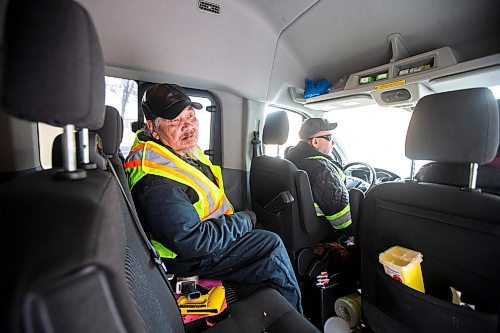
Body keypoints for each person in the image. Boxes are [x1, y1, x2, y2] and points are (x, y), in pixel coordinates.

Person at [124, 83, 302, 313]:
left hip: (202, 237)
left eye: (190, 116)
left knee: (260, 231)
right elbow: (193, 242)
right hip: (187, 257)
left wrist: (241, 221)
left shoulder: (176, 149)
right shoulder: (155, 179)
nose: (188, 127)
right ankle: (296, 320)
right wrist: (244, 221)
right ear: (152, 127)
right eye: (175, 121)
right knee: (269, 245)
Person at [287, 118, 353, 240]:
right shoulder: (322, 169)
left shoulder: (289, 158)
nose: (333, 143)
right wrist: (352, 233)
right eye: (330, 138)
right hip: (320, 232)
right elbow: (342, 221)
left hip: (293, 226)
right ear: (315, 142)